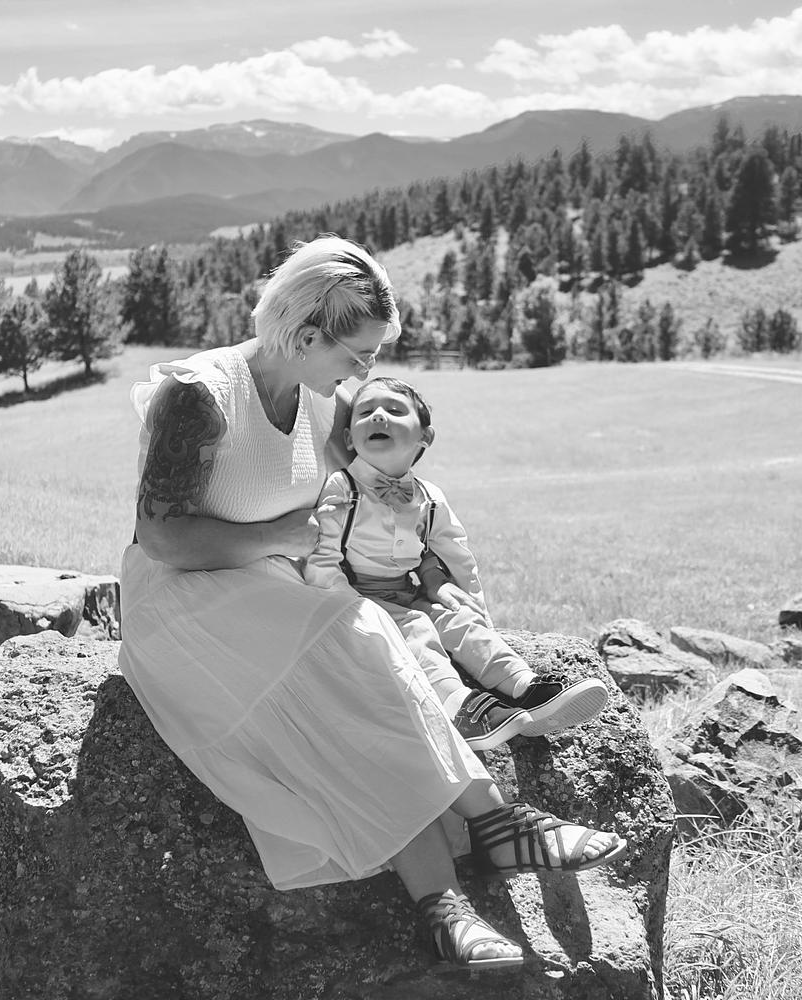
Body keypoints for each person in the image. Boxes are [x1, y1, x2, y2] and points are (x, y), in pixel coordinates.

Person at [118, 235, 628, 973]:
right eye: (356, 354)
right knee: (356, 636)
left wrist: (425, 567)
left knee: (361, 685)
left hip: (268, 592)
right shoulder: (200, 395)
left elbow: (381, 485)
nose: (365, 372)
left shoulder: (323, 399)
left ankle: (447, 906)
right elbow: (161, 536)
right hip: (182, 604)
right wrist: (282, 535)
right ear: (304, 335)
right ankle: (496, 830)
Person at [303, 376, 609, 751]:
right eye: (366, 412)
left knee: (456, 619)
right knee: (417, 629)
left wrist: (458, 597)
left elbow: (453, 553)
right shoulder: (342, 488)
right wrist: (348, 608)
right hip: (357, 600)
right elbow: (322, 554)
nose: (379, 416)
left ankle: (525, 687)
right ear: (349, 438)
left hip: (407, 592)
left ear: (425, 437)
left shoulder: (430, 498)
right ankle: (459, 708)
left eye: (394, 410)